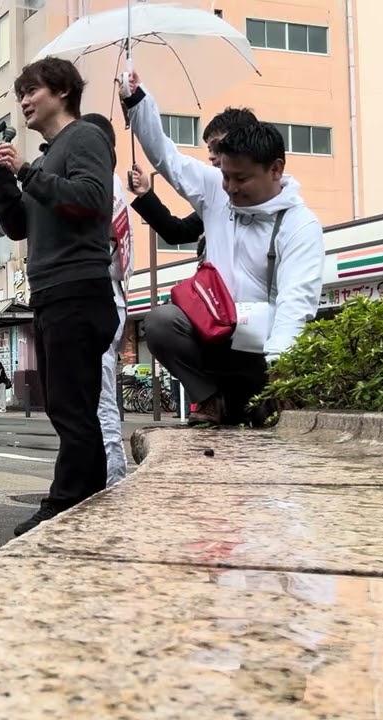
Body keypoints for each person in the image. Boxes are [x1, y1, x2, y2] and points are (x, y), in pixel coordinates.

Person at [123, 70, 325, 425]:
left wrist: (280, 368)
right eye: (226, 176)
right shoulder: (217, 191)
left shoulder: (300, 225)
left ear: (276, 169)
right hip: (213, 339)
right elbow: (167, 157)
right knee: (161, 321)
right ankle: (208, 398)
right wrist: (137, 101)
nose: (230, 187)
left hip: (263, 355)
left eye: (241, 178)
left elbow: (297, 302)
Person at [0, 57, 118, 535]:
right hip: (52, 293)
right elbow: (19, 225)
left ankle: (68, 504)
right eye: (20, 92)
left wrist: (25, 171)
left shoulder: (85, 138)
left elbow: (88, 199)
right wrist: (7, 181)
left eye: (32, 90)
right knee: (69, 404)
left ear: (62, 91)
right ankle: (89, 504)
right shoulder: (43, 159)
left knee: (71, 405)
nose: (24, 100)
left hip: (78, 290)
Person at [127, 106, 259, 256]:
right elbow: (176, 232)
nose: (211, 156)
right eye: (210, 149)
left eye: (217, 147)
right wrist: (145, 193)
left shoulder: (285, 211)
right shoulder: (215, 195)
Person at [81, 112, 134, 486]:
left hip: (100, 298)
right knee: (98, 396)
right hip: (112, 297)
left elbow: (104, 250)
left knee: (99, 399)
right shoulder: (114, 186)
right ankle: (108, 474)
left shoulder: (104, 185)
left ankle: (112, 478)